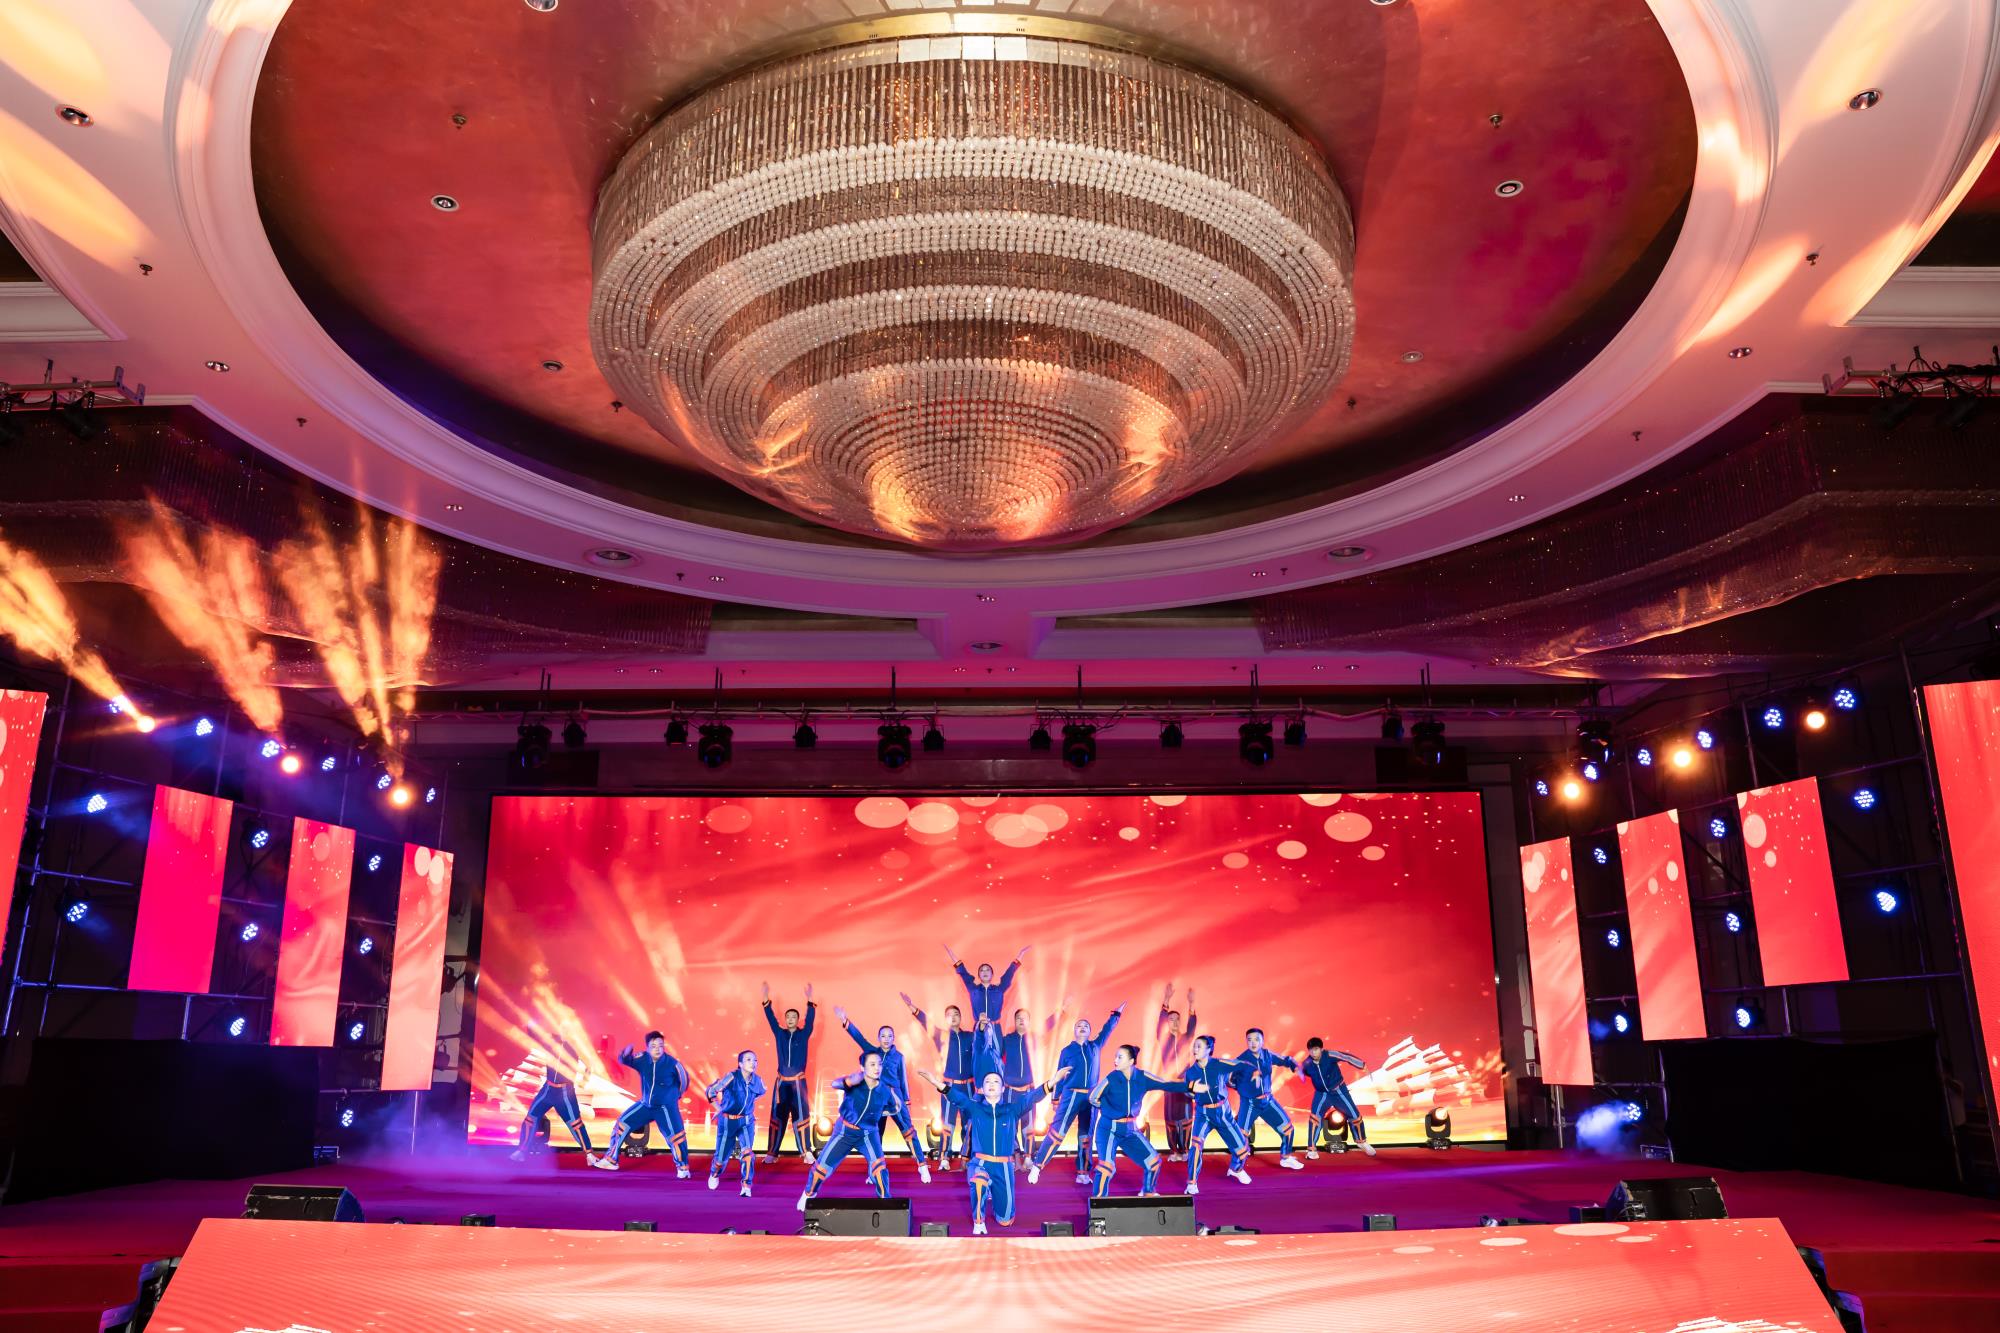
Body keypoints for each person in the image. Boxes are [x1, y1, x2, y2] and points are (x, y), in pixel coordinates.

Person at [917, 1061, 1070, 1235]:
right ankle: (979, 1221)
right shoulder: (975, 1108)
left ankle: (997, 1202)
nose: (991, 1084)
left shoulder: (1012, 1109)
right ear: (982, 1089)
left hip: (1004, 1167)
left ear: (1003, 1088)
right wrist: (935, 1082)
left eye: (996, 1081)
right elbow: (956, 1097)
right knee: (979, 1180)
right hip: (980, 1163)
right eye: (987, 1082)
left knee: (1006, 1220)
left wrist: (1053, 1081)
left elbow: (1031, 1098)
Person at [796, 1051, 929, 1210]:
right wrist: (849, 1081)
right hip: (844, 1132)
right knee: (822, 1168)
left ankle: (885, 1204)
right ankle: (809, 1194)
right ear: (862, 1067)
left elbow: (895, 1107)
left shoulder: (884, 1090)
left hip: (868, 1134)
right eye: (872, 1065)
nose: (877, 1068)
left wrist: (880, 1112)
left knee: (879, 1168)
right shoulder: (855, 1081)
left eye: (879, 1064)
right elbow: (835, 1084)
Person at [1030, 1002, 1125, 1183]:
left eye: (1086, 1026)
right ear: (1074, 1031)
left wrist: (1116, 1015)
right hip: (1071, 1095)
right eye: (1079, 1026)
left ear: (1090, 1032)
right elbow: (1060, 1074)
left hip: (1091, 1097)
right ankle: (1037, 1166)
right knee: (1057, 1132)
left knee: (1086, 1136)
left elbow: (1107, 1030)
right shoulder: (1067, 1051)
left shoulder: (1095, 1046)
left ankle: (1083, 1173)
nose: (1082, 1027)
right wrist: (1055, 1098)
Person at [1082, 1044, 1182, 1199]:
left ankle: (1148, 1192)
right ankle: (1098, 1203)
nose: (1115, 1060)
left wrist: (1190, 1087)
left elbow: (1165, 1084)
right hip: (1109, 1129)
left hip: (1130, 1130)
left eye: (1120, 1057)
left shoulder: (1142, 1077)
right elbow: (1092, 1097)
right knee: (1106, 1167)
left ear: (1131, 1061)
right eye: (1115, 1057)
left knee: (1153, 1162)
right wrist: (1108, 1109)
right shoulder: (1111, 1078)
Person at [592, 1031, 692, 1176]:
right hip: (646, 1105)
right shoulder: (643, 1058)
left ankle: (683, 1168)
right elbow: (626, 1060)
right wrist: (626, 1054)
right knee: (622, 1123)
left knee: (676, 1136)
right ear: (647, 1047)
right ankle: (611, 1160)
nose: (657, 1049)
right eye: (653, 1046)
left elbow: (684, 1081)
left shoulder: (673, 1064)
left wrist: (675, 1096)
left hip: (665, 1108)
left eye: (660, 1045)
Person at [834, 1006, 924, 1156]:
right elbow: (859, 1039)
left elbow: (903, 1081)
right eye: (883, 1036)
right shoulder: (873, 1052)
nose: (886, 1039)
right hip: (878, 1096)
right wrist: (845, 1021)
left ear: (893, 1038)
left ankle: (921, 1162)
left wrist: (906, 1102)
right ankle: (876, 1163)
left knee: (907, 1129)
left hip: (895, 1097)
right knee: (876, 1132)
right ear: (878, 1038)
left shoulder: (899, 1057)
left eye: (889, 1036)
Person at [903, 993, 978, 1164]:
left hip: (968, 1087)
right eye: (949, 1015)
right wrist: (912, 1007)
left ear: (960, 1017)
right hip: (949, 1087)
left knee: (969, 1123)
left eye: (956, 1014)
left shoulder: (970, 1036)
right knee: (947, 1124)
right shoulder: (941, 1035)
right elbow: (925, 1021)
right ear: (945, 1019)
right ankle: (944, 1156)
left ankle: (968, 1157)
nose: (953, 1017)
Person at [1182, 1034, 1253, 1192]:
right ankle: (1192, 1183)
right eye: (1194, 1046)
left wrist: (1253, 1073)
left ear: (1209, 1049)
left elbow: (1241, 1064)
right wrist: (1192, 1091)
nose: (1195, 1049)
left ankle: (1236, 1169)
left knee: (1243, 1148)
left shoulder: (1219, 1064)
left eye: (1199, 1046)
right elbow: (1188, 1092)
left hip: (1222, 1112)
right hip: (1203, 1114)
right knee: (1195, 1146)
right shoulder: (1191, 1072)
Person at [1232, 1028, 1306, 1170]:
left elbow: (1286, 1060)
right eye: (1249, 1040)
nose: (1253, 1043)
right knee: (1241, 1137)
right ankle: (1236, 1168)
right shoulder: (1241, 1060)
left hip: (1267, 1101)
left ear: (1262, 1041)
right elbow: (1230, 1079)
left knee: (1288, 1129)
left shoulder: (1267, 1055)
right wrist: (1245, 1088)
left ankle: (1286, 1158)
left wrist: (1296, 1068)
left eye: (1256, 1039)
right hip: (1250, 1103)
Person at [760, 981, 816, 1164]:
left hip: (798, 1083)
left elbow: (810, 1020)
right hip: (782, 1083)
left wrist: (809, 1000)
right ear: (785, 1020)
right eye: (788, 1017)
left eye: (794, 1016)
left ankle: (806, 1152)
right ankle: (772, 1153)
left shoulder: (803, 1034)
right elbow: (770, 1018)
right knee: (777, 1116)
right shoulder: (780, 1034)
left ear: (798, 1020)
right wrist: (766, 998)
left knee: (801, 1116)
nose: (790, 1019)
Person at [510, 1057, 597, 1165]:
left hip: (565, 1092)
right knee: (531, 1118)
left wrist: (584, 1081)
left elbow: (588, 1062)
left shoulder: (573, 1047)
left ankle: (589, 1154)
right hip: (548, 1090)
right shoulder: (550, 1046)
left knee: (576, 1124)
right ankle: (522, 1151)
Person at [704, 1051, 767, 1197]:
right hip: (728, 1122)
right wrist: (719, 1108)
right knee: (720, 1158)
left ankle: (746, 1185)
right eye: (748, 1060)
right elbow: (711, 1091)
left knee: (748, 1154)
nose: (753, 1063)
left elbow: (758, 1093)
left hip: (746, 1122)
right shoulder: (731, 1077)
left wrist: (747, 1109)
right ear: (740, 1064)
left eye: (755, 1060)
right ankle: (714, 1173)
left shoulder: (758, 1080)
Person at [1301, 1038, 1376, 1158]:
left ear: (1321, 1049)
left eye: (1316, 1049)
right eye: (1310, 1050)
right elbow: (1305, 1072)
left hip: (1339, 1091)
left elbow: (1346, 1057)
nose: (1313, 1053)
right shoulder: (1307, 1064)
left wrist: (1362, 1065)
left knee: (1354, 1115)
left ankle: (1362, 1142)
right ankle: (1312, 1150)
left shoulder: (1330, 1055)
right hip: (1322, 1094)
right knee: (1315, 1118)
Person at [1155, 984, 1198, 1161]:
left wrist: (1191, 1004)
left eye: (1176, 1019)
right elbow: (1159, 1025)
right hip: (1169, 1084)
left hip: (1185, 1084)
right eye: (1170, 1019)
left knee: (1186, 1117)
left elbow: (1192, 1026)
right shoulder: (1164, 1039)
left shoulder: (1186, 1038)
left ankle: (1185, 1150)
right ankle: (1174, 1151)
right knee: (1171, 1118)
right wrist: (1166, 999)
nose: (1174, 1021)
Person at [995, 1008, 1041, 1158]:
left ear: (1029, 1021)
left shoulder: (1034, 1039)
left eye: (1024, 1018)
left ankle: (1028, 1156)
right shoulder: (1007, 1040)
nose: (1021, 1020)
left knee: (1029, 1125)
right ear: (1014, 1021)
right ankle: (1014, 1156)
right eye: (1018, 1018)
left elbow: (1047, 1027)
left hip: (1028, 1090)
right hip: (1010, 1091)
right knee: (1010, 1124)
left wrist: (1062, 1012)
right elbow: (995, 1052)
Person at [946, 943, 1030, 1024]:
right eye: (982, 970)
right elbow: (963, 972)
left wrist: (1021, 954)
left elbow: (1009, 973)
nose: (985, 972)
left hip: (995, 1028)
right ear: (979, 976)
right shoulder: (973, 990)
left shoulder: (999, 990)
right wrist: (951, 953)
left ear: (992, 975)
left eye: (987, 970)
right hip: (979, 1028)